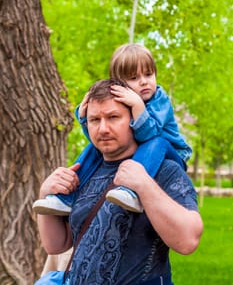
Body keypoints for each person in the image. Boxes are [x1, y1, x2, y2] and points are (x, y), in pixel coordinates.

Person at [36, 78, 203, 285]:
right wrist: (45, 194)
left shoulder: (163, 170)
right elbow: (57, 244)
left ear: (134, 118)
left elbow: (188, 240)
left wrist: (144, 185)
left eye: (113, 117)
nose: (103, 128)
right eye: (95, 120)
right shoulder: (86, 172)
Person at [33, 43, 192, 214]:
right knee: (93, 148)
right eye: (134, 78)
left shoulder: (159, 99)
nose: (144, 82)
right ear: (118, 85)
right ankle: (66, 197)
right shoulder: (122, 103)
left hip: (171, 152)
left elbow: (148, 136)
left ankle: (130, 191)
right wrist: (84, 116)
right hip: (143, 151)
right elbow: (96, 137)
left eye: (148, 74)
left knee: (158, 141)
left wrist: (138, 106)